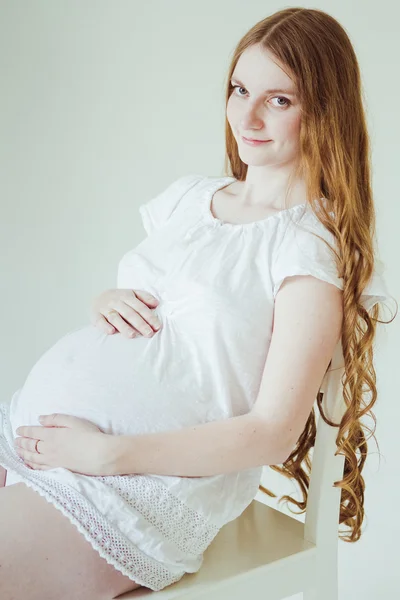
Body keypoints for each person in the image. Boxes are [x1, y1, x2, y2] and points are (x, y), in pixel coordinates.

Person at [0, 7, 397, 599]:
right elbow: (166, 308)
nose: (248, 115)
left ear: (324, 110)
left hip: (127, 491)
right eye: (240, 90)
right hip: (35, 438)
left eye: (279, 100)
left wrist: (111, 455)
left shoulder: (307, 250)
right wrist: (105, 301)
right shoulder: (190, 198)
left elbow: (271, 432)